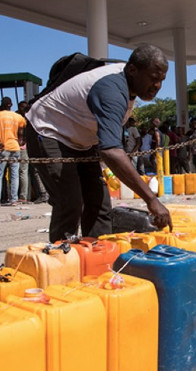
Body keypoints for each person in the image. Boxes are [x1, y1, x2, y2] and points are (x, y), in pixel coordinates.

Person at [25, 44, 172, 242]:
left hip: (81, 141)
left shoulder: (126, 85)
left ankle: (98, 258)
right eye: (153, 79)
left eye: (161, 80)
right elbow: (111, 151)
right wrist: (151, 200)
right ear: (132, 70)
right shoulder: (111, 90)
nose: (157, 86)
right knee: (70, 202)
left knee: (99, 204)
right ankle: (62, 260)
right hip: (49, 131)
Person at [0, 97, 25, 207]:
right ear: (11, 105)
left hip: (2, 148)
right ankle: (14, 200)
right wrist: (21, 139)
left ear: (2, 104)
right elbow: (23, 127)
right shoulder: (17, 116)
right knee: (14, 175)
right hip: (15, 147)